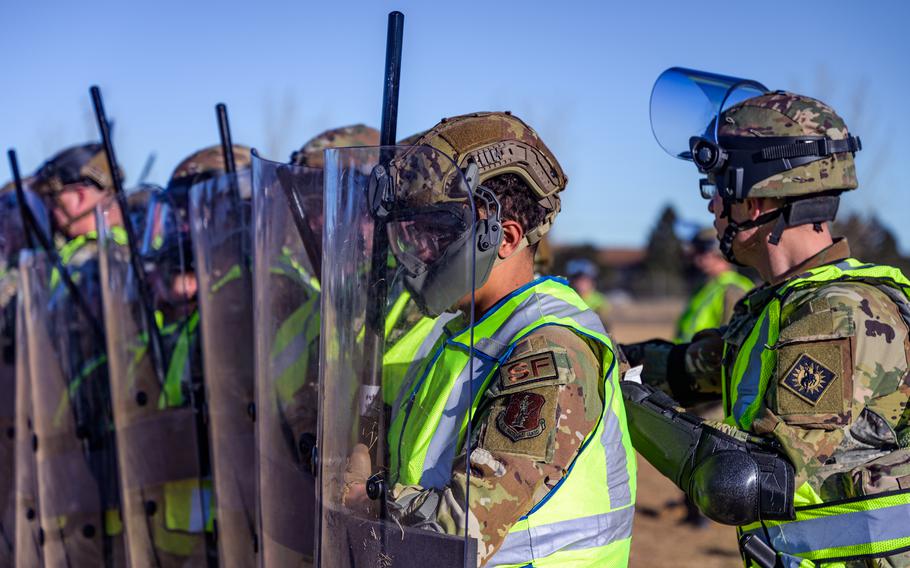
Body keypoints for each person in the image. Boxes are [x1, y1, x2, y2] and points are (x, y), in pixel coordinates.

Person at [625, 72, 910, 567]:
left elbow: (743, 480)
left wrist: (623, 399)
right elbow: (688, 371)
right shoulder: (778, 306)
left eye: (717, 189)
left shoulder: (833, 315)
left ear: (754, 201)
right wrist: (599, 355)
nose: (713, 207)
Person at [332, 112, 637, 567]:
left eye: (437, 232)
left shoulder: (552, 351)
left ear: (504, 237)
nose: (420, 252)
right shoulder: (461, 332)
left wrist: (362, 497)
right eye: (415, 233)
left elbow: (462, 523)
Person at [30, 142, 127, 566]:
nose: (51, 211)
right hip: (70, 439)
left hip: (106, 438)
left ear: (85, 194)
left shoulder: (108, 259)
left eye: (57, 198)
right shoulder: (69, 260)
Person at [675, 227, 753, 344]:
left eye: (701, 251)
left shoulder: (733, 290)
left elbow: (732, 344)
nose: (696, 258)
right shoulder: (705, 288)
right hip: (691, 359)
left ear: (718, 250)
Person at [566, 258, 610, 329]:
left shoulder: (600, 300)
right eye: (578, 280)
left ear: (593, 281)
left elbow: (603, 320)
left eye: (585, 280)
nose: (581, 284)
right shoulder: (569, 298)